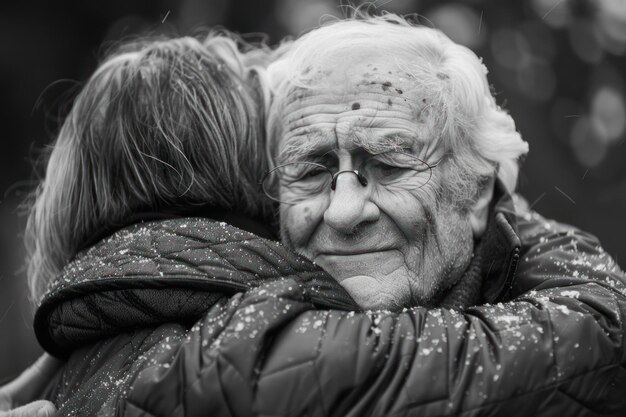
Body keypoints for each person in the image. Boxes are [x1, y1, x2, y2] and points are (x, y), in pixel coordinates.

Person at [3, 14, 626, 417]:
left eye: (386, 162)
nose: (346, 208)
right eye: (312, 170)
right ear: (261, 195)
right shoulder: (228, 345)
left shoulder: (113, 327)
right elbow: (596, 337)